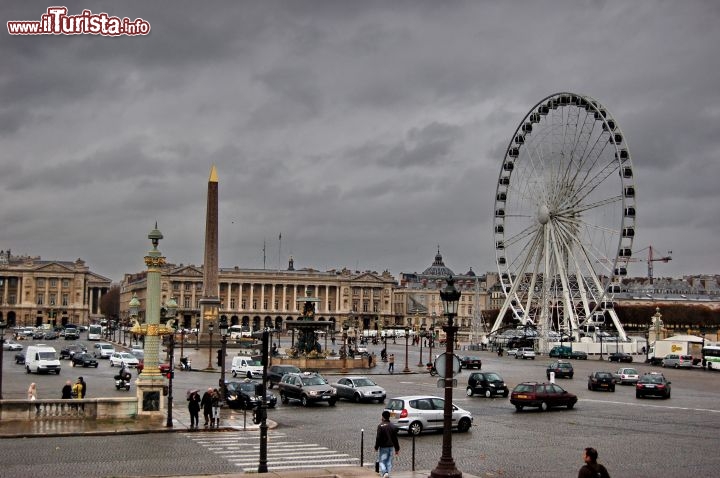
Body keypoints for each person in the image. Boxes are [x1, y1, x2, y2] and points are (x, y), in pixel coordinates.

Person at [374, 410, 400, 478]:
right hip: (391, 447)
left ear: (383, 417)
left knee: (382, 461)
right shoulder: (392, 426)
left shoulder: (380, 426)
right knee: (389, 462)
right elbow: (395, 439)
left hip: (383, 447)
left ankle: (385, 472)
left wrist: (376, 447)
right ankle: (388, 474)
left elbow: (378, 438)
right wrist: (397, 449)